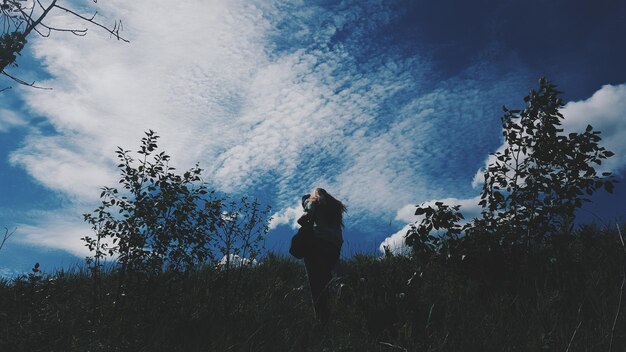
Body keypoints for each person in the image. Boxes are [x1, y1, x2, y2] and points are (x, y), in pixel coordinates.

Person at [297, 187, 346, 323]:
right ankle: (340, 289)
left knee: (316, 286)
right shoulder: (334, 206)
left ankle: (321, 321)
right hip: (335, 246)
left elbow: (306, 216)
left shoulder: (311, 200)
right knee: (328, 278)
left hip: (317, 245)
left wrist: (301, 221)